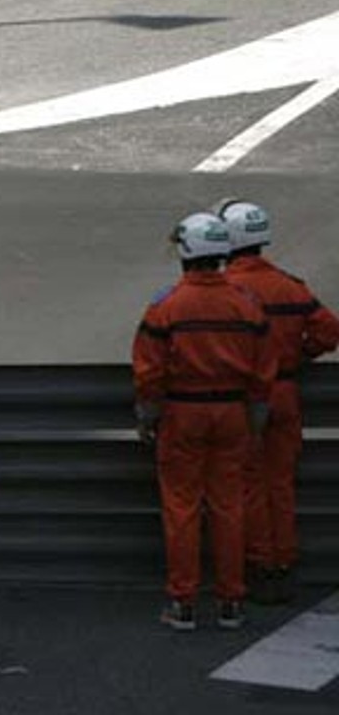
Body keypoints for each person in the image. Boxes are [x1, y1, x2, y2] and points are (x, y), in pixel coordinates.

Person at [133, 212, 274, 633]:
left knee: (181, 509)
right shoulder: (247, 304)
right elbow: (263, 371)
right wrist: (255, 420)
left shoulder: (166, 306)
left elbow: (148, 372)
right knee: (229, 507)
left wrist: (147, 418)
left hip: (183, 414)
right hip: (233, 413)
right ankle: (232, 601)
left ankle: (183, 602)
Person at [216, 199, 339, 605]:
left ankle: (257, 562)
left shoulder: (227, 290)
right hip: (285, 391)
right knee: (281, 483)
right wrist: (299, 355)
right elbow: (327, 331)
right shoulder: (290, 285)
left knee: (247, 483)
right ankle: (283, 561)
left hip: (242, 397)